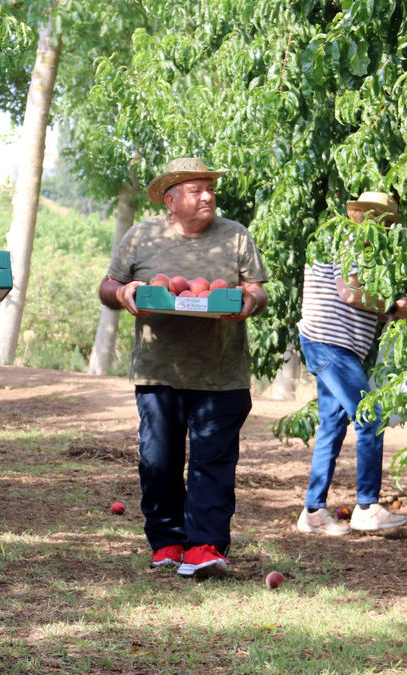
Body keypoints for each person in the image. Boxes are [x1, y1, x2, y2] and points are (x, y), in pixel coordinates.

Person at [98, 157, 268, 578]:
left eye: (210, 188)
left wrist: (249, 301)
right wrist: (124, 294)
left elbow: (257, 290)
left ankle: (206, 546)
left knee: (214, 461)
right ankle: (168, 541)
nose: (208, 195)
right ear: (171, 201)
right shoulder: (143, 237)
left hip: (222, 372)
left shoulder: (236, 236)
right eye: (197, 189)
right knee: (159, 460)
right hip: (160, 370)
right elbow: (107, 286)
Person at [294, 190, 407, 536]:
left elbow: (357, 302)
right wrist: (395, 309)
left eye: (387, 221)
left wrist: (388, 313)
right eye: (376, 217)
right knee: (371, 416)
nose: (381, 226)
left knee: (333, 426)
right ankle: (366, 506)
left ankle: (314, 512)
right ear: (359, 216)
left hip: (332, 344)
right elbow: (349, 294)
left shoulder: (355, 247)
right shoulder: (349, 239)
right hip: (329, 343)